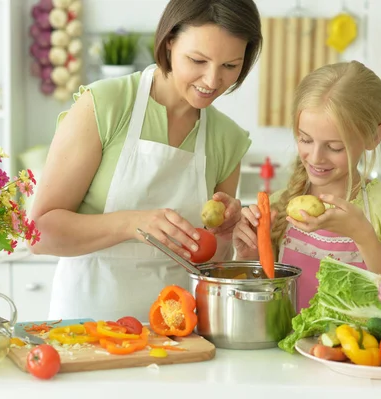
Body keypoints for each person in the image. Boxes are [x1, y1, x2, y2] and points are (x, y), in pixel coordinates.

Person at [28, 0, 263, 321]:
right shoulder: (106, 105)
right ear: (169, 43)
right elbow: (39, 234)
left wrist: (224, 234)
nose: (211, 80)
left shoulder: (228, 139)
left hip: (178, 330)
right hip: (87, 326)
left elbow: (210, 265)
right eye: (197, 60)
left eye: (230, 66)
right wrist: (131, 223)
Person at [233, 61, 381, 313]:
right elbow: (264, 297)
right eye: (305, 140)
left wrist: (362, 235)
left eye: (334, 147)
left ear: (374, 137)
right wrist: (249, 256)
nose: (316, 157)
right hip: (289, 348)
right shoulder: (281, 203)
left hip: (358, 349)